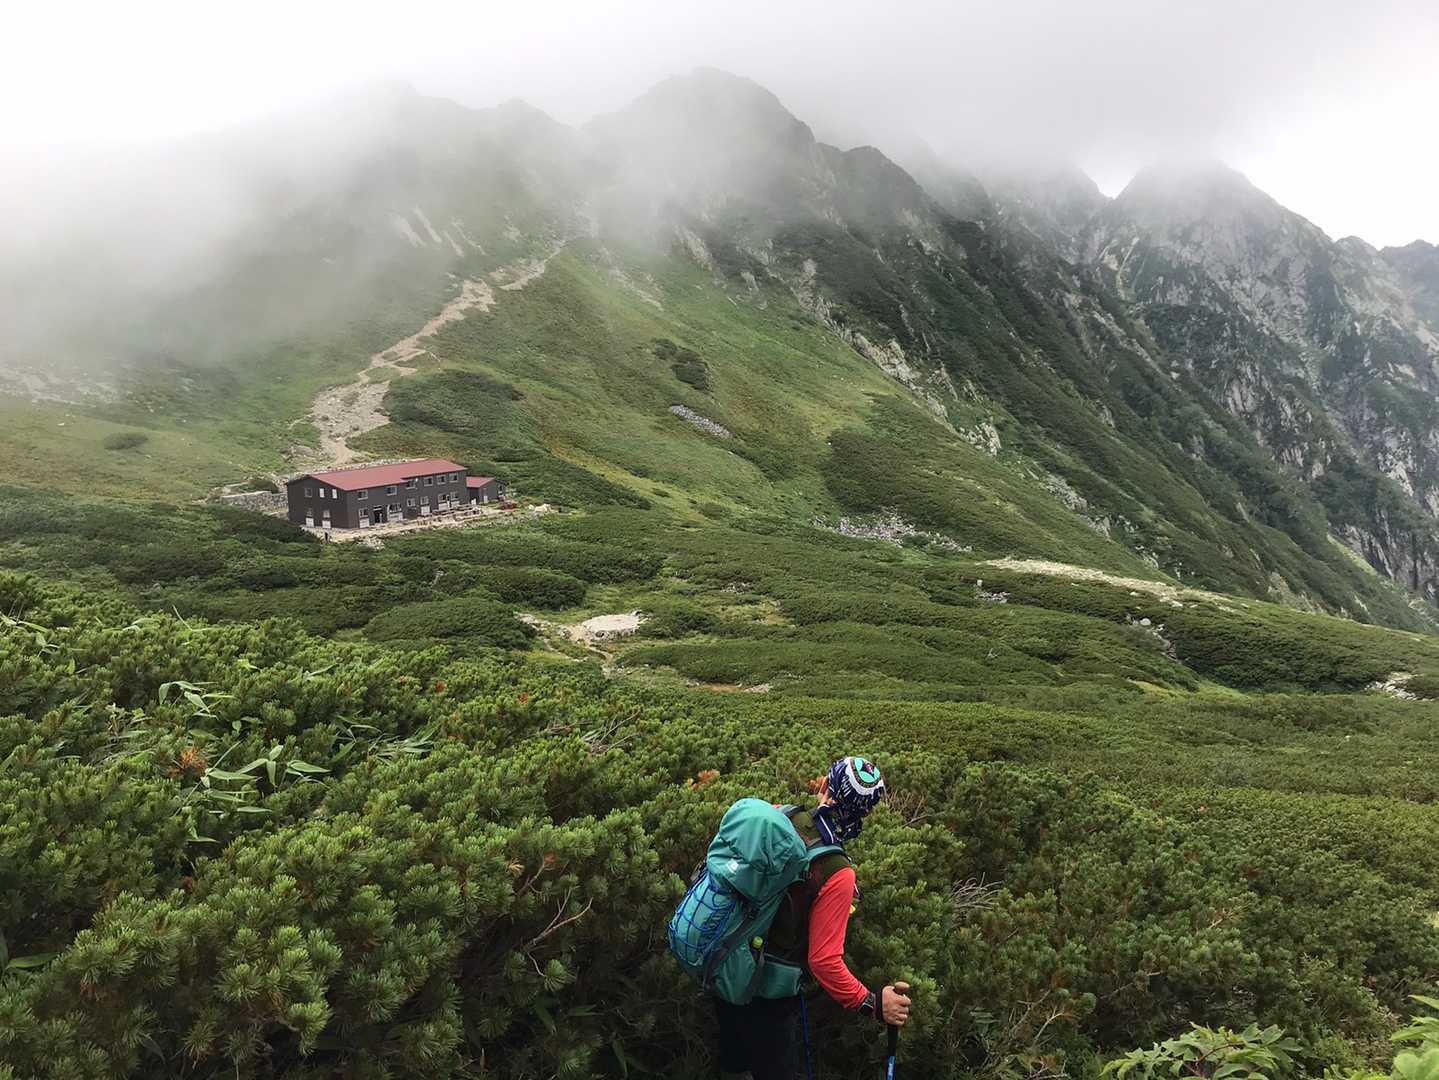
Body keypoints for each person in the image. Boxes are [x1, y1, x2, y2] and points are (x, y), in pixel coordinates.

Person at [714, 755, 912, 1080]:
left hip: (725, 963)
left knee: (734, 1064)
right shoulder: (838, 872)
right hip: (768, 995)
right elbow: (823, 962)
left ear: (825, 784)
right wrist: (873, 1003)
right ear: (866, 813)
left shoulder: (780, 814)